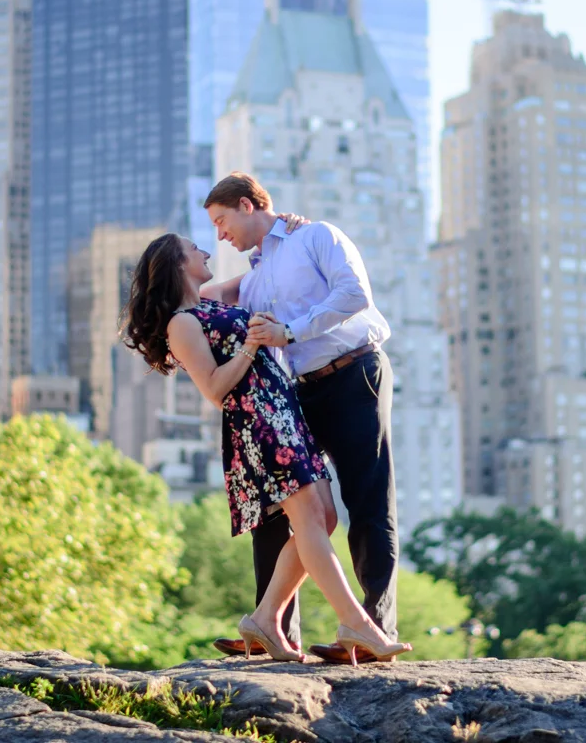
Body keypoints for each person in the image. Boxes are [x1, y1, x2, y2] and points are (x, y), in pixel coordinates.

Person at [121, 232, 410, 665]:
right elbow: (216, 389)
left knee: (325, 518)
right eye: (194, 249)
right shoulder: (181, 323)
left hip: (283, 416)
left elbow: (267, 276)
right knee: (312, 519)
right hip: (259, 426)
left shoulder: (209, 302)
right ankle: (356, 622)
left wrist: (287, 232)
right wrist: (251, 347)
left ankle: (264, 618)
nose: (205, 249)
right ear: (178, 264)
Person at [199, 172, 400, 665]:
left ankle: (373, 628)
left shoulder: (317, 235)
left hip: (355, 374)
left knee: (367, 502)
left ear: (248, 205)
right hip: (299, 394)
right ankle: (273, 631)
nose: (220, 235)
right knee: (277, 510)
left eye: (222, 221)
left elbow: (354, 295)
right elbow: (199, 295)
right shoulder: (254, 276)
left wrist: (290, 331)